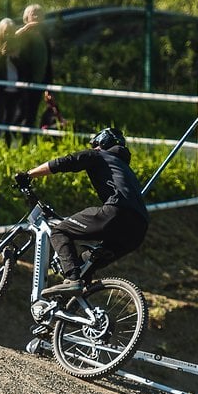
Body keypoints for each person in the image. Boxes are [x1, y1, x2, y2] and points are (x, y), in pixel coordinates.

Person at [14, 127, 149, 298]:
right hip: (139, 228)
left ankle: (72, 279)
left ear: (102, 143)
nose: (93, 148)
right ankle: (74, 309)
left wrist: (29, 175)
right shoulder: (125, 169)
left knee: (60, 231)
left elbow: (64, 162)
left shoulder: (99, 155)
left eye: (95, 144)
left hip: (117, 211)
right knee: (87, 261)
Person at [12, 4, 52, 139]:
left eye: (39, 14)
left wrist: (49, 83)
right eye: (33, 14)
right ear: (26, 17)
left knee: (32, 113)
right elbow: (9, 42)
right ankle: (9, 136)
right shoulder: (23, 34)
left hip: (40, 81)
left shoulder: (44, 34)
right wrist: (24, 29)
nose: (36, 17)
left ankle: (26, 142)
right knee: (21, 112)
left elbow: (48, 59)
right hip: (25, 81)